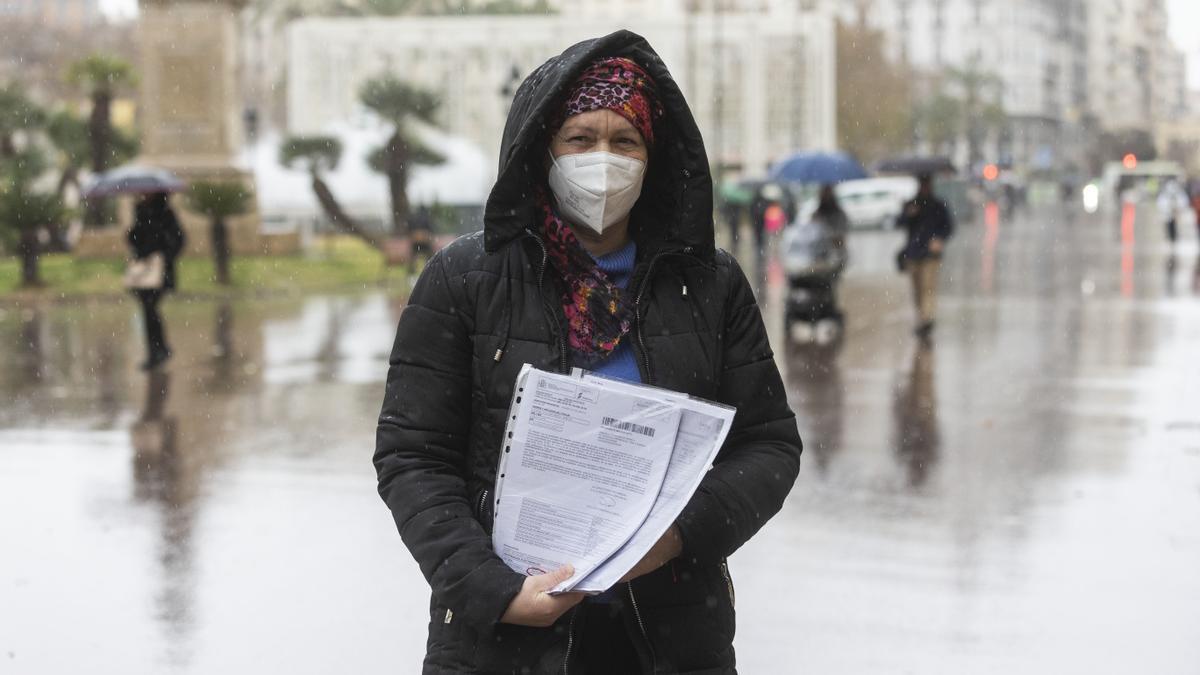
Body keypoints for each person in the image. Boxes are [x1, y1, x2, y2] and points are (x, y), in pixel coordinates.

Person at [374, 31, 802, 674]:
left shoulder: (708, 285)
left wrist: (677, 538)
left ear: (651, 156)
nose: (604, 158)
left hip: (671, 633)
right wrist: (496, 592)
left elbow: (769, 445)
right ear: (542, 150)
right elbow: (413, 457)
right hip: (500, 640)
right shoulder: (464, 280)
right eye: (581, 139)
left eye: (624, 141)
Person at [127, 192, 186, 370]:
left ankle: (157, 350)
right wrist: (132, 233)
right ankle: (158, 349)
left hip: (160, 270)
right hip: (143, 270)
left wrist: (164, 256)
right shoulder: (140, 212)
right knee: (148, 309)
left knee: (150, 308)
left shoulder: (166, 214)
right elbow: (135, 241)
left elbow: (178, 239)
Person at [897, 174, 954, 340]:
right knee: (917, 289)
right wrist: (908, 214)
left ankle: (927, 319)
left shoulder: (938, 205)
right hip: (913, 253)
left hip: (931, 255)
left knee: (928, 287)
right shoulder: (911, 204)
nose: (925, 188)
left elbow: (948, 227)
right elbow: (899, 222)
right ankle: (922, 317)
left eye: (927, 185)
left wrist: (939, 238)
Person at [1158, 179, 1188, 245]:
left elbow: (1183, 202)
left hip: (1175, 214)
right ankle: (1170, 238)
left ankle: (1175, 238)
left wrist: (1178, 209)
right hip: (1168, 214)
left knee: (1175, 226)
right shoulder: (1165, 195)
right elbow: (1161, 203)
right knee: (1169, 226)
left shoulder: (1178, 194)